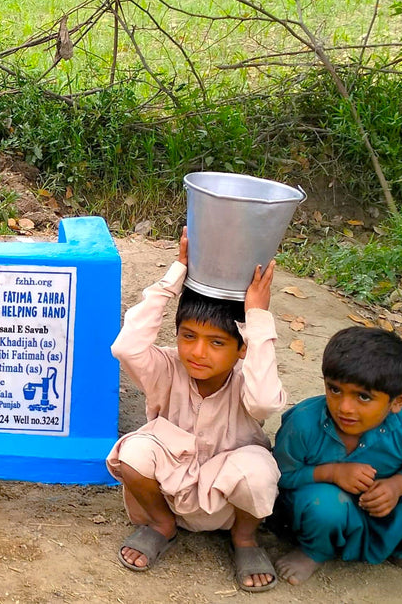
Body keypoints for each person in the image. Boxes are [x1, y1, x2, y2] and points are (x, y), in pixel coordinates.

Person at [105, 227, 285, 592]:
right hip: (171, 494)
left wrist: (257, 317)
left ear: (242, 348)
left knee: (259, 471)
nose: (198, 353)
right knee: (134, 452)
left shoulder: (248, 379)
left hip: (229, 501)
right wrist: (174, 276)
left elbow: (266, 401)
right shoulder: (166, 368)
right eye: (188, 336)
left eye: (217, 342)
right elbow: (126, 347)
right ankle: (160, 526)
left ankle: (245, 540)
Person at [273, 327, 402, 587]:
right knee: (323, 504)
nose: (344, 407)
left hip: (385, 513)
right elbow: (281, 475)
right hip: (323, 512)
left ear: (398, 401)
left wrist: (397, 485)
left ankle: (401, 550)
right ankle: (315, 550)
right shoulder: (303, 423)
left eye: (363, 396)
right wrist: (331, 473)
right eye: (334, 390)